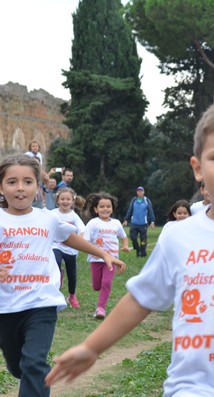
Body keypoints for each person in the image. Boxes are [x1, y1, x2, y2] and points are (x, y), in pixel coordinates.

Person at [45, 102, 214, 397]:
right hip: (191, 387)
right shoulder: (178, 236)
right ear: (198, 168)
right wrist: (91, 347)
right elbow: (141, 300)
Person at [0, 155, 125, 397]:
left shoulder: (47, 218)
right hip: (5, 306)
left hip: (41, 304)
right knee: (18, 367)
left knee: (34, 364)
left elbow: (69, 237)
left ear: (38, 186)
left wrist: (103, 254)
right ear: (1, 186)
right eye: (12, 182)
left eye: (27, 182)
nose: (20, 188)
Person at [83, 192, 130, 319]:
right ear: (95, 209)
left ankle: (101, 308)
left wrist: (125, 245)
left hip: (112, 260)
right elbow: (85, 241)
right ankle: (99, 293)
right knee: (96, 285)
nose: (105, 209)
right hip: (96, 259)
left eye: (108, 206)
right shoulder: (93, 223)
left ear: (112, 209)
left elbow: (124, 236)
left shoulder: (116, 223)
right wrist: (92, 250)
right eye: (102, 206)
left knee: (107, 282)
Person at [51, 187, 86, 309]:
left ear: (72, 201)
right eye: (62, 199)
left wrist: (80, 238)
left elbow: (82, 229)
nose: (65, 201)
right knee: (55, 260)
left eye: (68, 199)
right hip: (56, 246)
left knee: (72, 274)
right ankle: (58, 275)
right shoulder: (53, 214)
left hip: (71, 249)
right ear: (58, 200)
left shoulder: (74, 216)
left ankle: (71, 296)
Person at [122, 186, 155, 257]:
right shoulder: (134, 200)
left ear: (143, 192)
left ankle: (143, 253)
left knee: (143, 240)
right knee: (133, 237)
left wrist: (152, 221)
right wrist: (126, 219)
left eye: (141, 191)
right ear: (137, 192)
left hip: (143, 224)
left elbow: (150, 211)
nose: (140, 192)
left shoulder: (146, 200)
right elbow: (130, 210)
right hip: (134, 223)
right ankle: (137, 249)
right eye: (138, 191)